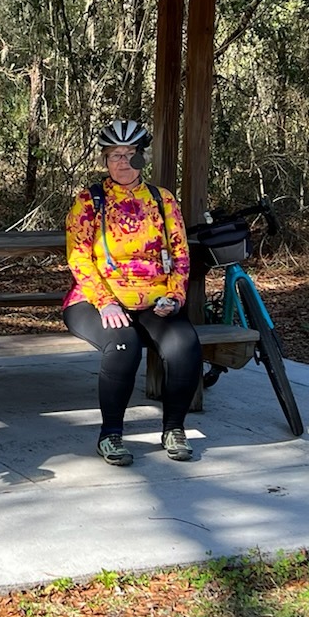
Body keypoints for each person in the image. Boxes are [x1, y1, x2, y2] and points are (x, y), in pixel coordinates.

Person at [62, 119, 199, 465]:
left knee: (184, 344)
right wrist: (105, 301)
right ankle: (111, 435)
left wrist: (175, 295)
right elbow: (79, 256)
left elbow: (180, 253)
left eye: (131, 155)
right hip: (96, 298)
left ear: (143, 158)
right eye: (114, 156)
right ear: (104, 160)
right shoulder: (89, 201)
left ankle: (173, 428)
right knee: (123, 345)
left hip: (153, 297)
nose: (123, 163)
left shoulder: (161, 200)